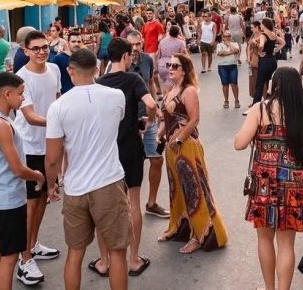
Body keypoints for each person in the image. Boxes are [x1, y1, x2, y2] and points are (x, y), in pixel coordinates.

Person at [44, 49, 133, 290]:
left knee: (75, 252)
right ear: (96, 69)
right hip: (109, 183)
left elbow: (52, 158)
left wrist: (51, 185)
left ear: (70, 71)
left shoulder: (58, 107)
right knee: (117, 252)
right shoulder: (116, 96)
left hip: (76, 187)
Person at [234, 67, 303, 290]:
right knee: (286, 243)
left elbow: (239, 143)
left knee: (264, 239)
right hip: (294, 184)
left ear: (276, 85)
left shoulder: (259, 109)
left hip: (264, 184)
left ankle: (269, 288)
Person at [89, 38, 157, 278]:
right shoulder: (133, 79)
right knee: (133, 203)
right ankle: (134, 259)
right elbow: (151, 104)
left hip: (106, 149)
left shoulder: (99, 83)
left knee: (105, 207)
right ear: (127, 56)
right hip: (130, 146)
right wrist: (148, 122)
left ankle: (104, 261)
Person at [157, 53, 227, 253]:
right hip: (171, 148)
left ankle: (201, 235)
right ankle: (179, 228)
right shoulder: (171, 89)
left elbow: (194, 119)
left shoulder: (189, 91)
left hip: (187, 146)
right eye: (169, 64)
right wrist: (159, 136)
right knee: (176, 188)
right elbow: (167, 119)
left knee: (194, 190)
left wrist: (179, 139)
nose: (170, 68)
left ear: (185, 70)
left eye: (175, 66)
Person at [0, 72, 46, 290]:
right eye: (20, 94)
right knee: (9, 258)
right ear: (7, 94)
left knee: (1, 247)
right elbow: (17, 169)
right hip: (8, 198)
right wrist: (38, 175)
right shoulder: (2, 124)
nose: (23, 98)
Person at [13, 30, 62, 286]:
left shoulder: (54, 70)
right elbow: (30, 116)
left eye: (45, 47)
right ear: (26, 51)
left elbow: (57, 102)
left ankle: (34, 243)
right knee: (31, 203)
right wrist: (60, 124)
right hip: (30, 147)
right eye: (36, 48)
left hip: (49, 145)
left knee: (44, 198)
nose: (42, 51)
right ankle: (25, 258)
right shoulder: (21, 78)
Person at [123, 31, 169, 220]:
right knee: (130, 165)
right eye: (131, 45)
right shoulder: (120, 63)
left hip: (147, 117)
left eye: (138, 45)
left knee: (157, 159)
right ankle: (126, 205)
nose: (135, 49)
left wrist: (156, 108)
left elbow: (150, 83)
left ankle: (151, 203)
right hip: (128, 121)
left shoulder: (147, 61)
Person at [252, 18, 285, 105]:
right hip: (273, 61)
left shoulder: (263, 35)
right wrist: (275, 50)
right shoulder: (273, 34)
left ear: (264, 25)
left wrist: (257, 46)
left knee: (259, 84)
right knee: (271, 83)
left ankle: (255, 106)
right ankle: (272, 104)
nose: (260, 26)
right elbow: (283, 42)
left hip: (264, 61)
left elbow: (261, 46)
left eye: (261, 24)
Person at [140, 7, 165, 96]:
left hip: (153, 51)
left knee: (154, 72)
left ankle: (159, 90)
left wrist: (158, 50)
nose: (149, 15)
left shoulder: (157, 24)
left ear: (153, 14)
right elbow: (142, 38)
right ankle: (153, 90)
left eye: (150, 13)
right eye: (147, 14)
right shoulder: (145, 25)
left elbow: (161, 38)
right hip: (146, 50)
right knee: (148, 72)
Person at [216, 31, 241, 109]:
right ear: (222, 37)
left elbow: (236, 51)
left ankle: (236, 100)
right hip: (222, 66)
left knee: (234, 84)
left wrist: (229, 44)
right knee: (225, 84)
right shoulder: (219, 45)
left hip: (233, 65)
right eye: (225, 36)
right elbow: (220, 53)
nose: (227, 37)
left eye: (229, 36)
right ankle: (226, 101)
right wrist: (231, 52)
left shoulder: (235, 44)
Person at [157, 25, 186, 91]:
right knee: (170, 88)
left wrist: (157, 66)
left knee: (168, 83)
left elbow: (159, 55)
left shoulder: (162, 41)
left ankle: (166, 96)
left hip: (161, 65)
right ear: (178, 33)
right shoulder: (180, 43)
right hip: (172, 65)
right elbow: (181, 56)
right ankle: (166, 98)